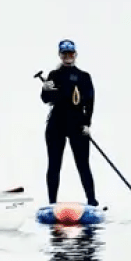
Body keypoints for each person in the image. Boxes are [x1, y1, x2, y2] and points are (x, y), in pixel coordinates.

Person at [40, 39, 98, 206]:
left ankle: (92, 201)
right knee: (54, 164)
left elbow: (90, 103)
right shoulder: (53, 75)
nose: (68, 56)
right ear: (60, 55)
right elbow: (46, 99)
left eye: (70, 53)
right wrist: (44, 89)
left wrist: (87, 124)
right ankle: (52, 203)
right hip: (56, 123)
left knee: (83, 164)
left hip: (77, 124)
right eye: (64, 53)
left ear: (75, 55)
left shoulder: (84, 76)